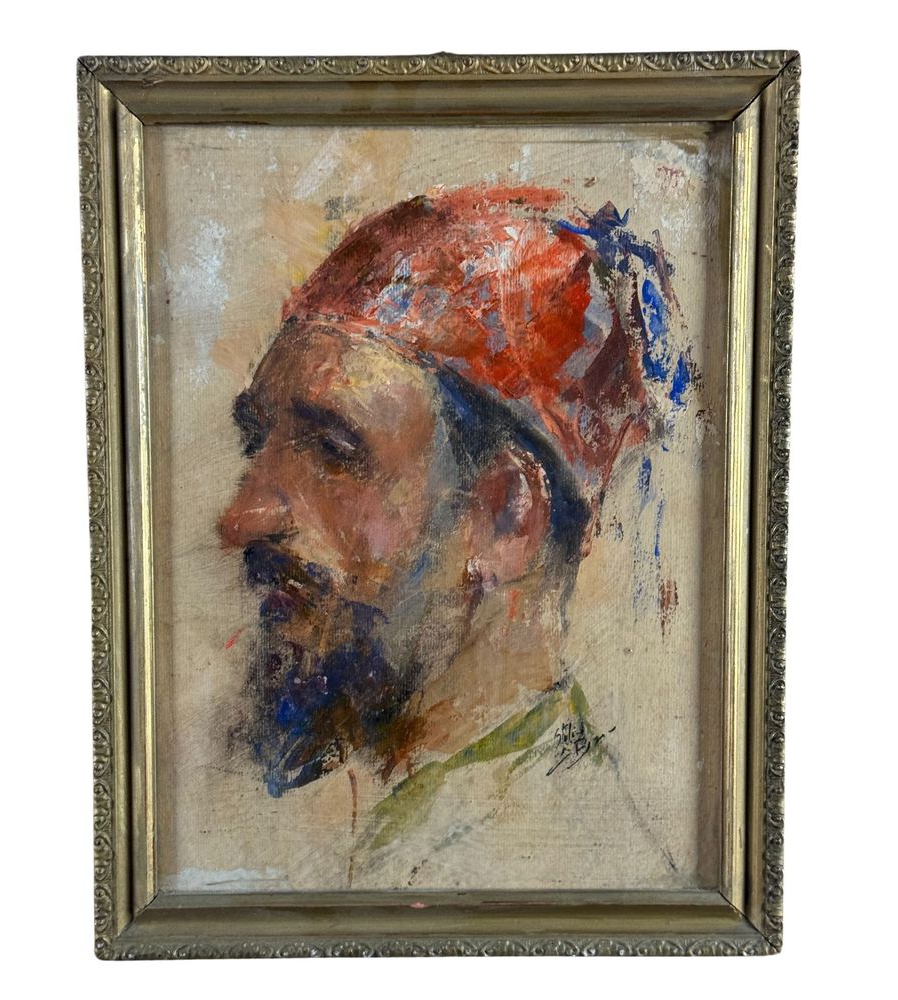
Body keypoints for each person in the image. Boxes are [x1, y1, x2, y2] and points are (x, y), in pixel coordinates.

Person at [217, 184, 690, 873]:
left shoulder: (540, 860)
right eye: (256, 442)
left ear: (506, 515)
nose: (240, 519)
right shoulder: (402, 841)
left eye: (333, 452)